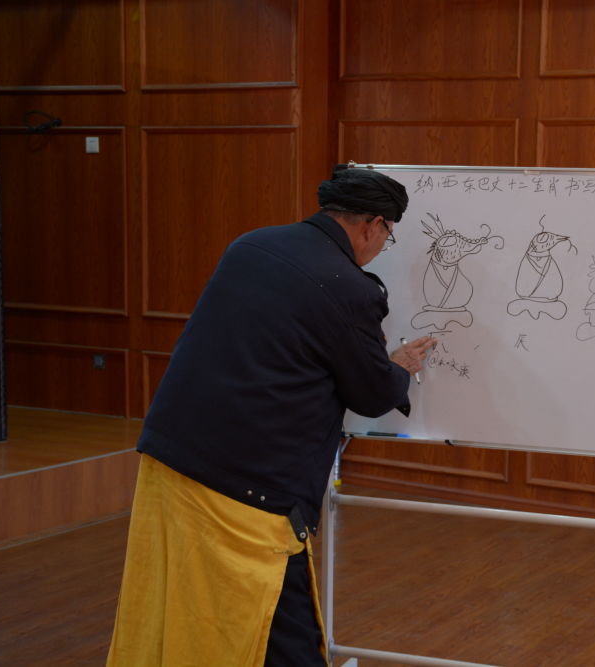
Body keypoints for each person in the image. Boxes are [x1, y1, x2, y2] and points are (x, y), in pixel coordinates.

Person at [107, 166, 435, 666]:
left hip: (173, 458)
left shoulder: (252, 245)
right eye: (388, 235)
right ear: (373, 225)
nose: (382, 245)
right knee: (276, 622)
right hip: (249, 485)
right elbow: (372, 393)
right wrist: (399, 367)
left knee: (173, 601)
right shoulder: (348, 286)